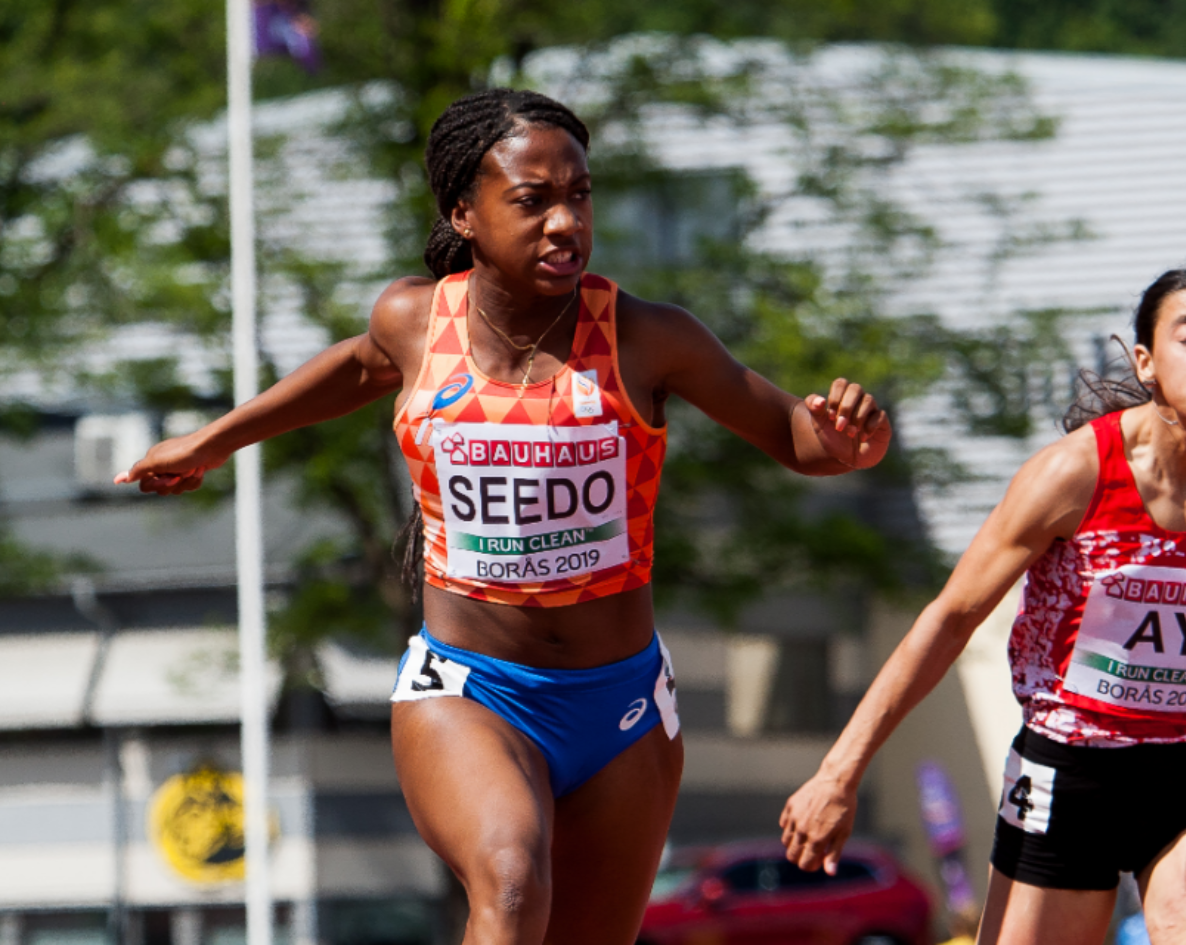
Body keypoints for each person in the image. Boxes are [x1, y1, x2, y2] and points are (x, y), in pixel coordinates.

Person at [118, 89, 890, 941]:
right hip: (472, 690)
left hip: (622, 704)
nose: (566, 222)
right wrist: (211, 441)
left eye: (580, 196)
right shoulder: (417, 322)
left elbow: (796, 436)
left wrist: (850, 441)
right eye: (533, 200)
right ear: (465, 213)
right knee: (512, 879)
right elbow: (355, 369)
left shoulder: (646, 337)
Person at [780, 270, 1186, 944]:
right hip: (1069, 769)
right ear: (1145, 361)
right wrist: (838, 772)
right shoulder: (1074, 473)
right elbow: (950, 618)